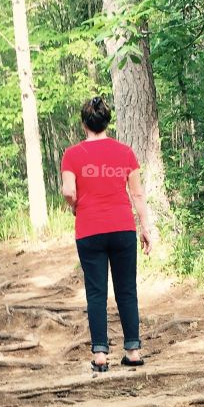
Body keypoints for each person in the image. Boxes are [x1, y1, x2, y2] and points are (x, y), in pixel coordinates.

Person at [61, 96, 154, 374]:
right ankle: (133, 351)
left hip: (89, 230)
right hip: (123, 227)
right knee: (127, 290)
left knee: (96, 292)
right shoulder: (125, 152)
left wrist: (76, 205)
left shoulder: (72, 154)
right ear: (106, 122)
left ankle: (100, 355)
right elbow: (137, 193)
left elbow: (68, 191)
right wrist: (146, 227)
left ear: (83, 124)